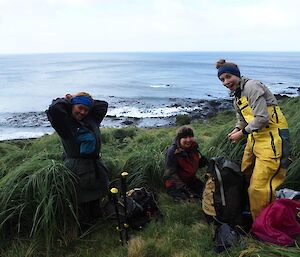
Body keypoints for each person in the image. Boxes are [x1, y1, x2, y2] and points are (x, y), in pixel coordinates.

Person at [217, 61, 290, 220]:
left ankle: (262, 224)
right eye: (222, 79)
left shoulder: (252, 87)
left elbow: (263, 118)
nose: (225, 82)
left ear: (236, 74)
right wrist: (237, 129)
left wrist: (242, 133)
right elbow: (242, 120)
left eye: (228, 77)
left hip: (273, 137)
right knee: (244, 173)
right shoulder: (236, 96)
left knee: (259, 187)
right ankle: (250, 209)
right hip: (255, 137)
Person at [46, 92, 109, 227]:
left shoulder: (90, 119)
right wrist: (69, 100)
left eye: (86, 110)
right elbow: (54, 109)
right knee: (81, 199)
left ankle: (98, 223)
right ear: (72, 106)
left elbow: (103, 105)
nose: (82, 112)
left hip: (93, 165)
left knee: (95, 197)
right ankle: (83, 230)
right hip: (77, 167)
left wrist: (87, 102)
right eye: (79, 108)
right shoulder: (65, 124)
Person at [163, 125, 208, 202]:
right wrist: (184, 188)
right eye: (185, 137)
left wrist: (204, 162)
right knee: (189, 200)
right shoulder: (173, 151)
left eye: (190, 137)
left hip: (191, 179)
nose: (188, 140)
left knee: (206, 193)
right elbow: (170, 174)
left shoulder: (194, 147)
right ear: (179, 139)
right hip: (175, 183)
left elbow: (194, 165)